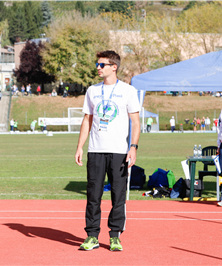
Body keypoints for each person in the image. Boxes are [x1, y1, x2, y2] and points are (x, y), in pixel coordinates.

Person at [74, 50, 140, 251]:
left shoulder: (128, 91)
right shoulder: (92, 91)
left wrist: (133, 147)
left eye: (102, 65)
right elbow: (87, 120)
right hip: (95, 150)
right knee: (93, 195)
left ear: (114, 67)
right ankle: (92, 236)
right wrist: (79, 146)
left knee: (117, 195)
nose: (98, 68)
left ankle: (114, 236)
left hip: (119, 151)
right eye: (97, 65)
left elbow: (135, 122)